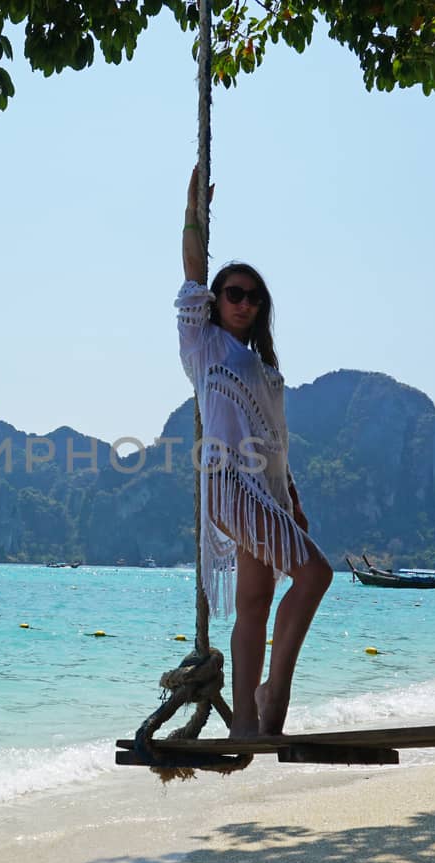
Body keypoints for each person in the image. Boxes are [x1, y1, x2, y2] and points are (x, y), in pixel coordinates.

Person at [176, 168, 333, 738]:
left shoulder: (265, 370)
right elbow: (192, 268)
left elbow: (277, 442)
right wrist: (192, 209)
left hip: (264, 490)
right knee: (315, 575)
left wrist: (291, 496)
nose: (243, 302)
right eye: (233, 294)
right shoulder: (205, 345)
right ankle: (273, 695)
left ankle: (245, 722)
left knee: (256, 604)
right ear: (215, 303)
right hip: (229, 485)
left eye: (253, 296)